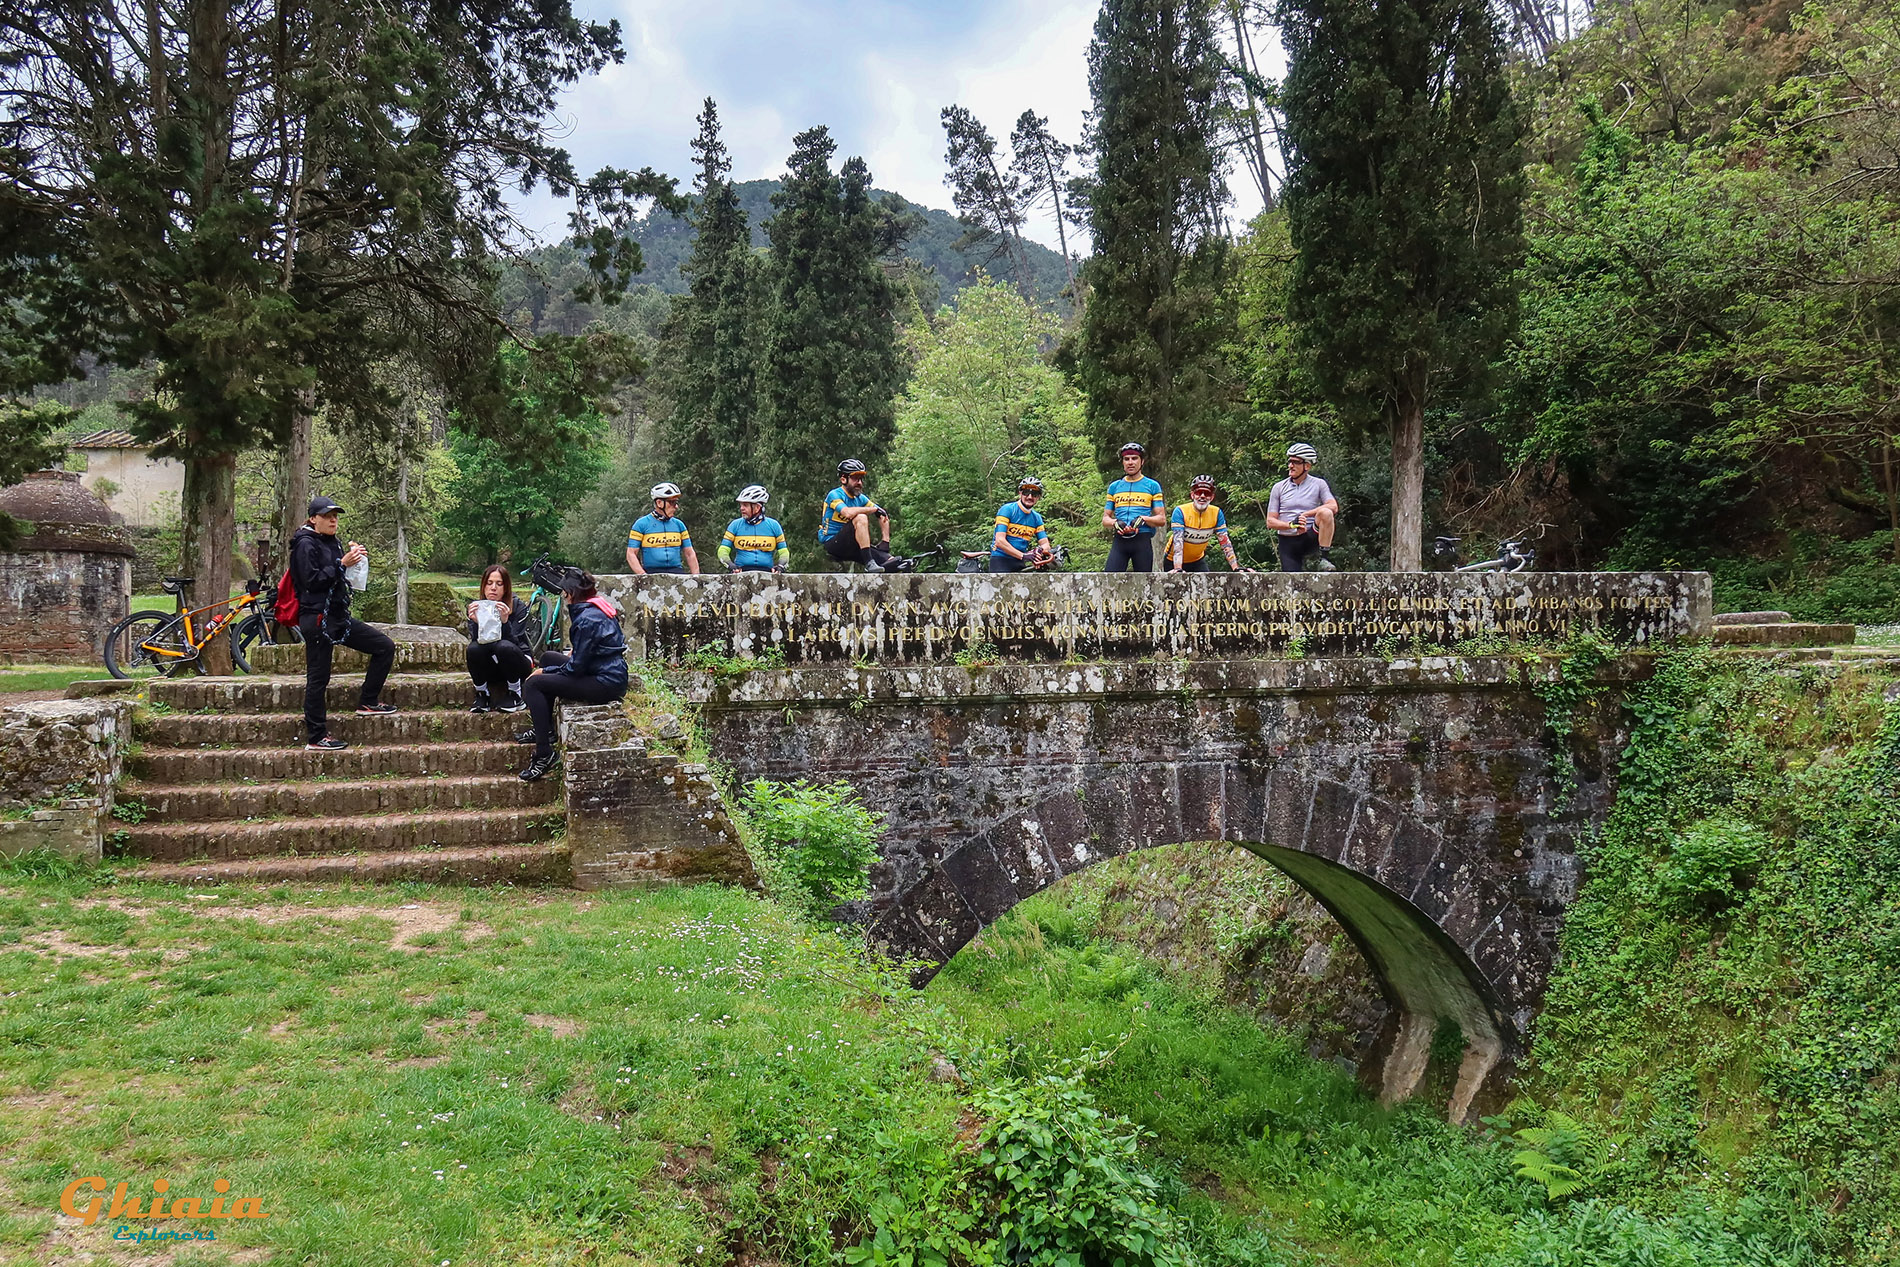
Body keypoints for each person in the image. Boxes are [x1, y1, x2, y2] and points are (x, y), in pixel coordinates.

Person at [289, 495, 397, 752]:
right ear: (313, 519)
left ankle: (368, 701)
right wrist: (341, 564)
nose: (333, 520)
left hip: (338, 617)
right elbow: (310, 581)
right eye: (327, 516)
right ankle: (316, 736)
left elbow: (340, 578)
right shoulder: (304, 544)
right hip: (316, 618)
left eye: (335, 516)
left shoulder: (331, 542)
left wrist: (354, 560)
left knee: (384, 646)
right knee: (318, 677)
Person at [515, 570, 628, 781]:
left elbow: (575, 670)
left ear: (569, 594)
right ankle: (546, 729)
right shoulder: (597, 607)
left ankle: (544, 753)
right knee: (549, 656)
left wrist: (544, 672)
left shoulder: (585, 619)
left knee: (534, 684)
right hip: (608, 671)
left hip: (604, 683)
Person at [819, 459, 913, 572]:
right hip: (833, 543)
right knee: (861, 517)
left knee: (892, 562)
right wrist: (871, 510)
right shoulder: (835, 494)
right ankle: (869, 563)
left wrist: (885, 542)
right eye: (855, 478)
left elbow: (882, 514)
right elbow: (847, 513)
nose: (859, 482)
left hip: (854, 545)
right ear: (844, 479)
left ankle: (879, 567)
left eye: (860, 479)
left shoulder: (860, 498)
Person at [464, 564, 532, 714]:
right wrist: (476, 623)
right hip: (492, 664)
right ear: (483, 586)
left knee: (503, 646)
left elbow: (515, 643)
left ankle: (515, 693)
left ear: (506, 587)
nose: (493, 588)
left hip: (517, 661)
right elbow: (476, 642)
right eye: (489, 583)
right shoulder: (476, 607)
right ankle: (482, 693)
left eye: (499, 584)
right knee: (473, 649)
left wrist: (505, 622)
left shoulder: (518, 606)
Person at [1266, 443, 1339, 573]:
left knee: (1326, 513)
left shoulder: (1319, 484)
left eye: (1295, 462)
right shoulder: (1278, 487)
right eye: (1289, 461)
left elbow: (1333, 506)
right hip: (1287, 541)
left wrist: (1305, 515)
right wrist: (1291, 525)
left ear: (1307, 466)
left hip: (1309, 536)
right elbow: (1270, 521)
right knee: (1291, 583)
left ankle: (1324, 559)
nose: (1290, 466)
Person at [1100, 442, 1165, 572]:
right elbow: (1105, 520)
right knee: (1109, 580)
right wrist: (1115, 522)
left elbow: (1161, 519)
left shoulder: (1152, 486)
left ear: (1142, 461)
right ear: (1123, 462)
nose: (1130, 462)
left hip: (1142, 539)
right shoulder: (1114, 487)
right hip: (1120, 540)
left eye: (1134, 458)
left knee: (1144, 584)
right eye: (1126, 459)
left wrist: (1144, 519)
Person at [1169, 475, 1245, 572]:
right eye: (1199, 492)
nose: (1202, 496)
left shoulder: (1216, 513)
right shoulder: (1180, 511)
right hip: (1172, 560)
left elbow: (1225, 543)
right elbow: (1178, 543)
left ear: (1212, 497)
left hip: (1197, 560)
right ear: (1192, 495)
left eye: (1207, 493)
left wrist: (1235, 568)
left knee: (1206, 587)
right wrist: (1178, 568)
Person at [626, 483, 699, 576]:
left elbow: (689, 553)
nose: (676, 506)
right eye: (672, 502)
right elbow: (631, 553)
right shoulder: (641, 524)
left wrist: (696, 577)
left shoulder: (679, 525)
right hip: (651, 573)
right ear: (659, 503)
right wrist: (643, 576)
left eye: (676, 502)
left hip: (676, 572)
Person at [720, 486, 790, 573]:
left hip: (767, 573)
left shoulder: (774, 525)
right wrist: (730, 565)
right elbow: (723, 550)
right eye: (741, 505)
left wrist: (780, 566)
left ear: (757, 507)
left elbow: (784, 552)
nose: (741, 508)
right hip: (741, 573)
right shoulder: (734, 525)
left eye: (745, 505)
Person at [990, 477, 1053, 573]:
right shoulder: (1008, 510)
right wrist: (1023, 556)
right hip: (1001, 559)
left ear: (1039, 497)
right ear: (1020, 493)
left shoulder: (1036, 518)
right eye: (1026, 492)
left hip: (1020, 561)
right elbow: (999, 541)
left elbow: (1045, 544)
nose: (1030, 497)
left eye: (1034, 494)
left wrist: (1039, 551)